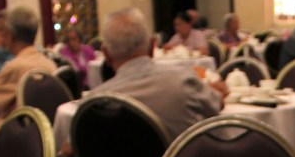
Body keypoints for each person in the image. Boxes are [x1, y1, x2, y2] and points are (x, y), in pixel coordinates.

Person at [83, 7, 226, 140]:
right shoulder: (182, 81)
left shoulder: (95, 103)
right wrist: (214, 91)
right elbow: (216, 105)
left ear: (106, 54)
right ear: (152, 47)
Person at [0, 5, 55, 130]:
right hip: (46, 132)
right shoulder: (50, 64)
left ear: (11, 35)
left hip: (19, 134)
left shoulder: (14, 67)